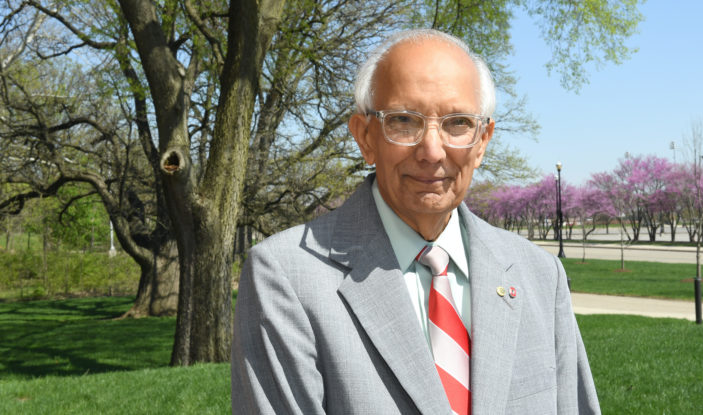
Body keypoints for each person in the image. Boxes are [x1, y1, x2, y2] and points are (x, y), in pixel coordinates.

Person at [231, 28, 600, 414]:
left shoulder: (541, 275)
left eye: (457, 123)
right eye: (404, 121)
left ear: (483, 141)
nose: (431, 150)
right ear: (365, 136)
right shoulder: (285, 277)